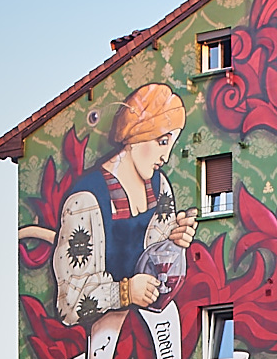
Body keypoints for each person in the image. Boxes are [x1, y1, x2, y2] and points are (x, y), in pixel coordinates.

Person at [52, 84, 198, 328]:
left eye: (171, 144)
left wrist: (175, 241)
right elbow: (69, 304)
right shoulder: (86, 201)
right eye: (162, 142)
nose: (165, 157)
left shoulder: (159, 186)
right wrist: (125, 291)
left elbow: (158, 264)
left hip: (151, 327)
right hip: (101, 335)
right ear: (135, 134)